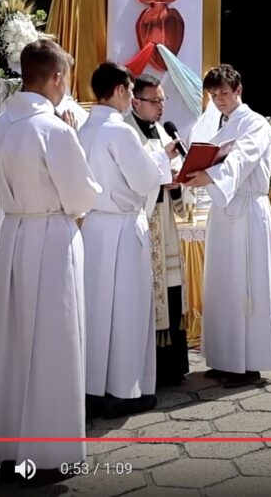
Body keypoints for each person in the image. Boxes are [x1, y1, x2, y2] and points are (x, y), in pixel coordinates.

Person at [0, 39, 102, 474]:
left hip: (13, 233)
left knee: (11, 343)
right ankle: (50, 455)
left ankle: (9, 446)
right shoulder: (54, 129)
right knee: (55, 342)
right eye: (64, 78)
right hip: (52, 234)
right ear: (55, 77)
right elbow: (80, 194)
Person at [77, 63, 176, 418]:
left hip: (93, 227)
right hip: (121, 225)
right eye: (131, 91)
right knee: (128, 311)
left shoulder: (85, 128)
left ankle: (92, 388)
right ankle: (124, 391)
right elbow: (145, 179)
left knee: (97, 311)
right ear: (120, 90)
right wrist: (161, 157)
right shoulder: (119, 131)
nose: (132, 98)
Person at [181, 65, 271, 388]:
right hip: (224, 211)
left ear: (239, 90)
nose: (219, 100)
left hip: (247, 209)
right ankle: (224, 357)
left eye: (224, 93)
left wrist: (210, 175)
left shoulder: (255, 123)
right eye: (214, 95)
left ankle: (248, 363)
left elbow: (242, 158)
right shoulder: (220, 123)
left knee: (245, 286)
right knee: (221, 284)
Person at [124, 73, 192, 387]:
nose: (161, 106)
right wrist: (158, 181)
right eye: (155, 100)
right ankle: (148, 368)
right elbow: (127, 185)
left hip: (165, 223)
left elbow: (176, 184)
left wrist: (178, 187)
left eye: (163, 99)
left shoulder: (165, 136)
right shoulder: (125, 134)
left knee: (172, 293)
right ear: (135, 100)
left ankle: (172, 367)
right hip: (142, 228)